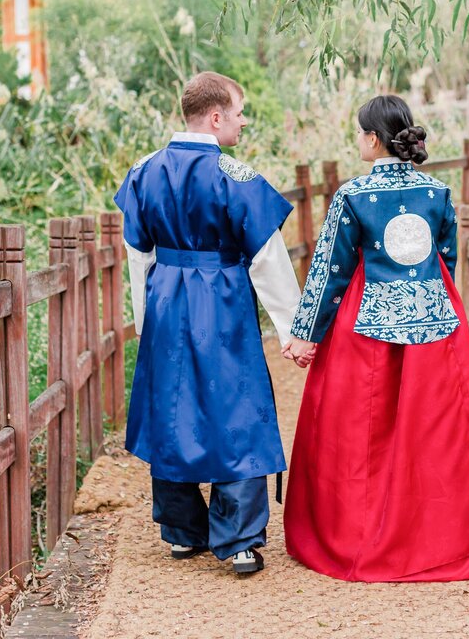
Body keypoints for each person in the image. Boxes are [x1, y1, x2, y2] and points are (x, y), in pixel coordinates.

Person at [281, 94, 469, 582]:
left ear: (374, 140)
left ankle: (361, 535)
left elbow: (331, 271)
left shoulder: (353, 196)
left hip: (366, 326)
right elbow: (447, 259)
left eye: (360, 133)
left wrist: (305, 335)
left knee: (362, 432)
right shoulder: (438, 194)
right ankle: (439, 535)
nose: (358, 140)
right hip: (435, 324)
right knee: (434, 432)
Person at [114, 71, 304, 576]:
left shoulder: (143, 173)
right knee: (236, 408)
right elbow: (266, 260)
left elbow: (137, 255)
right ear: (216, 117)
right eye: (239, 112)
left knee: (171, 408)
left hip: (166, 302)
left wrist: (143, 320)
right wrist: (293, 329)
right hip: (221, 300)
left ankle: (182, 533)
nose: (243, 122)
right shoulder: (236, 177)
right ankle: (238, 539)